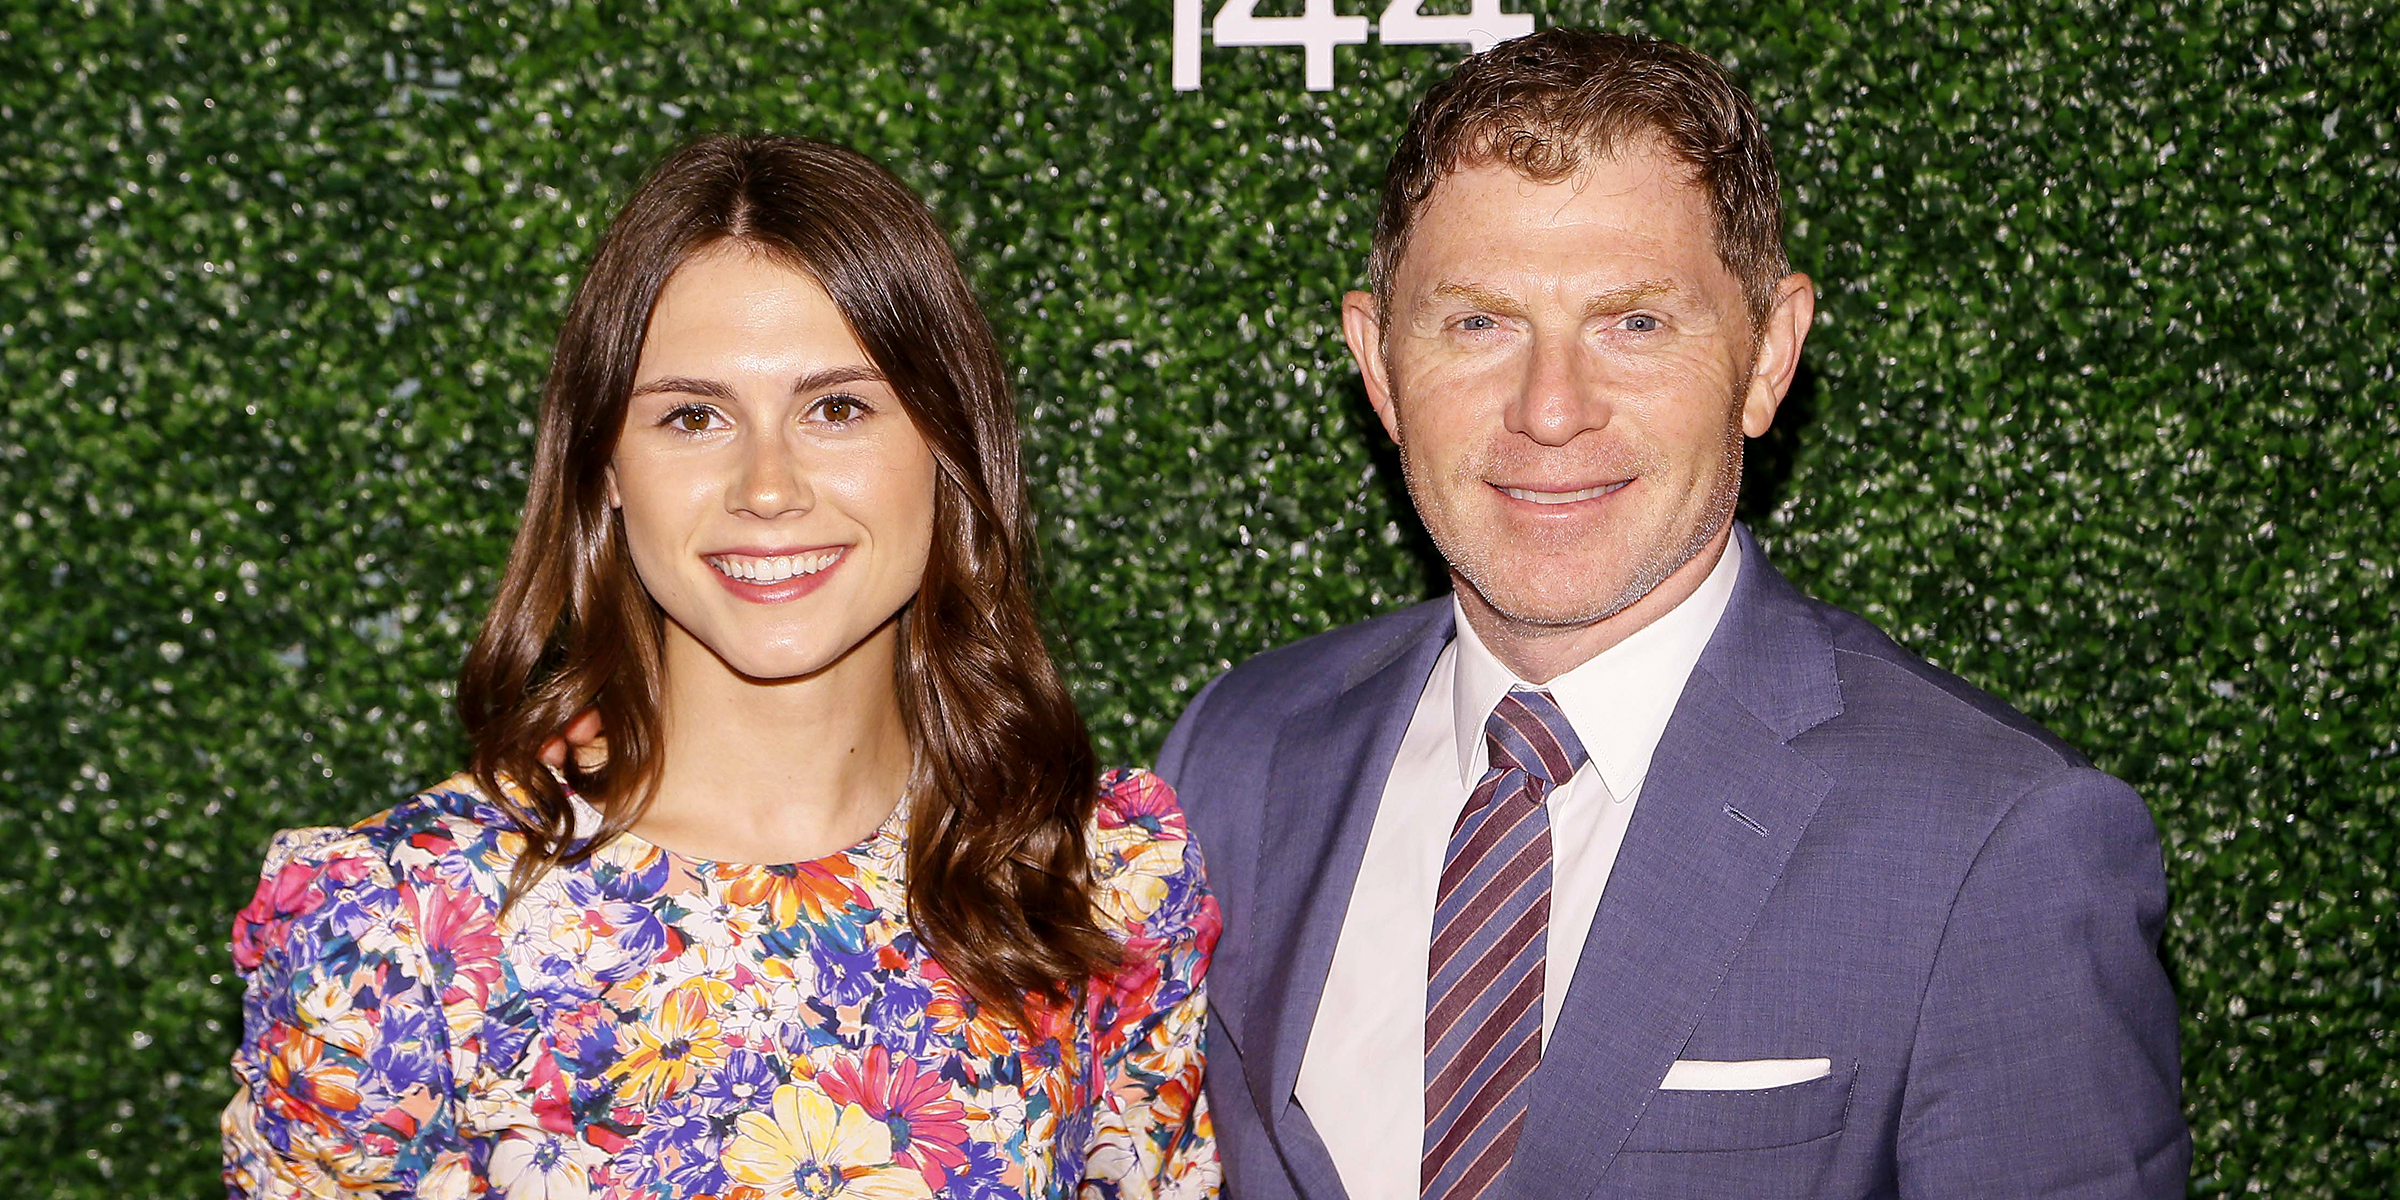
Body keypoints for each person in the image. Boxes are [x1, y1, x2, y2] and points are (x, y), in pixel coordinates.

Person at [1156, 29, 2187, 1200]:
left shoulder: (1994, 842)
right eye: (1480, 324)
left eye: (1635, 323)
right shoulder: (1235, 754)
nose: (1551, 410)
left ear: (1767, 357)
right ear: (1381, 367)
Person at [221, 134, 1220, 1199]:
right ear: (604, 466)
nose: (768, 487)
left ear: (947, 446)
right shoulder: (399, 932)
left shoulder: (1099, 881)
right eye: (693, 417)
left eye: (837, 407)